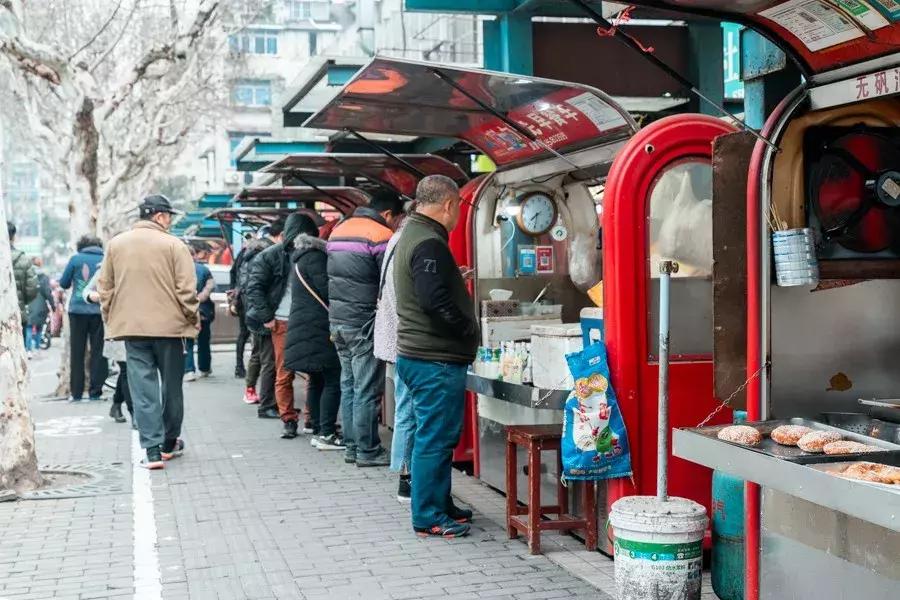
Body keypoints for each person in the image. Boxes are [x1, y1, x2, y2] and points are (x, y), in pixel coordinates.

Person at [394, 175, 477, 538]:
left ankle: (440, 503)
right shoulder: (429, 241)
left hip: (420, 355)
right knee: (435, 438)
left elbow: (426, 286)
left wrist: (452, 279)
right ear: (448, 205)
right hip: (434, 358)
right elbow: (432, 301)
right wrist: (465, 328)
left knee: (438, 436)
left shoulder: (413, 233)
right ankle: (427, 514)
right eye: (458, 206)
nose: (457, 214)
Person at [97, 195, 199, 469]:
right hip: (171, 329)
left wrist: (112, 316)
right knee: (172, 388)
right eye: (169, 216)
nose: (170, 221)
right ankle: (169, 443)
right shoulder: (175, 245)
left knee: (143, 390)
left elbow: (104, 288)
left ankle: (152, 451)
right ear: (159, 216)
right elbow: (187, 291)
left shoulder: (116, 244)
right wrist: (193, 319)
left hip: (133, 331)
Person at [328, 190, 405, 467]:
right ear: (388, 215)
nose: (396, 226)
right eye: (397, 220)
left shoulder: (338, 231)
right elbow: (389, 280)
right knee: (366, 388)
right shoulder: (379, 236)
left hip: (338, 321)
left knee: (348, 384)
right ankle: (368, 450)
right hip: (363, 323)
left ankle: (352, 447)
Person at [245, 214, 310, 439]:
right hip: (281, 321)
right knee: (285, 372)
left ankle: (309, 419)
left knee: (309, 371)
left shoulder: (310, 253)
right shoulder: (272, 255)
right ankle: (289, 419)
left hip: (305, 320)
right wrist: (267, 317)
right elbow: (253, 287)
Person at [283, 215, 344, 450]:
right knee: (332, 377)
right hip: (317, 328)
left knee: (317, 379)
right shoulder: (315, 257)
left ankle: (317, 425)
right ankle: (327, 433)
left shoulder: (298, 258)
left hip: (305, 327)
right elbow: (328, 290)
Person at [374, 202, 415, 501]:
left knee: (405, 409)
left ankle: (405, 474)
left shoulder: (394, 241)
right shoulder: (407, 244)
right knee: (408, 411)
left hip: (396, 339)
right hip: (407, 341)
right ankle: (406, 477)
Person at [237, 223, 283, 417]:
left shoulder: (251, 251)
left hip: (253, 313)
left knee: (259, 355)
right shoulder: (267, 254)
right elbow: (257, 288)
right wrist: (267, 316)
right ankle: (267, 405)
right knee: (269, 361)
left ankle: (255, 393)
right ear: (280, 235)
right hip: (262, 315)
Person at [82, 268, 133, 426]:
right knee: (127, 369)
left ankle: (116, 405)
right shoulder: (105, 269)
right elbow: (86, 292)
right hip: (115, 325)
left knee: (130, 370)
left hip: (139, 324)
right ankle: (135, 413)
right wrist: (97, 296)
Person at [60, 235, 106, 401]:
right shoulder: (105, 259)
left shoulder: (75, 259)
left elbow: (64, 283)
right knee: (99, 352)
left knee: (77, 352)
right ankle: (95, 392)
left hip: (77, 311)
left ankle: (76, 393)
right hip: (100, 311)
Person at [184, 246, 216, 381]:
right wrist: (200, 298)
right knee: (204, 341)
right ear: (194, 255)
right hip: (204, 311)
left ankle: (189, 370)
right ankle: (205, 368)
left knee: (187, 342)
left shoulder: (179, 269)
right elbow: (210, 286)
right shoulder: (204, 270)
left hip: (186, 311)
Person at [8, 222, 39, 341]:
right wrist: (22, 301)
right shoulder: (23, 260)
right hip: (17, 315)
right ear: (13, 237)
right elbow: (32, 289)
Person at [25, 257, 55, 356]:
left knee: (29, 327)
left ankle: (29, 350)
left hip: (28, 305)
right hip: (41, 306)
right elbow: (48, 293)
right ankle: (37, 348)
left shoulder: (27, 274)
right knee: (38, 328)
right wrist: (53, 306)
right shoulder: (44, 277)